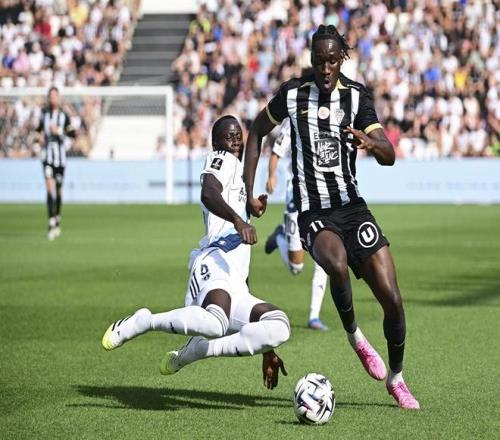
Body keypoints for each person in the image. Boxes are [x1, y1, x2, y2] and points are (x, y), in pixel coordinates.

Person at [243, 25, 419, 409]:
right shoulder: (293, 95)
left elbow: (389, 154)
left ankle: (397, 378)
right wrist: (247, 190)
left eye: (332, 61)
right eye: (319, 61)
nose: (325, 69)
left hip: (353, 208)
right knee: (336, 264)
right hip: (313, 212)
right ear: (311, 59)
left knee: (393, 299)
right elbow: (256, 131)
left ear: (342, 59)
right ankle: (356, 337)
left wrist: (371, 143)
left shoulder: (356, 97)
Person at [102, 115, 290, 389]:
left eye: (239, 136)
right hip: (213, 260)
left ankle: (199, 350)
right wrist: (239, 221)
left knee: (279, 326)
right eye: (229, 137)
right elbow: (208, 193)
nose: (236, 141)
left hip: (235, 278)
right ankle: (145, 321)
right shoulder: (221, 159)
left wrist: (267, 350)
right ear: (216, 143)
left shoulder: (239, 176)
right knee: (216, 323)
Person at [265, 118, 329, 331]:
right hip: (296, 197)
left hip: (322, 197)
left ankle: (314, 316)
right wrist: (271, 175)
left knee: (324, 258)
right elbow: (277, 151)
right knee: (296, 267)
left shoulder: (327, 116)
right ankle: (280, 237)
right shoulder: (293, 118)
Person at [37, 86, 75, 240]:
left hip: (60, 158)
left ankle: (57, 217)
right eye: (50, 96)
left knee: (58, 189)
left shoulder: (64, 115)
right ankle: (51, 220)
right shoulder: (44, 114)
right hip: (47, 157)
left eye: (55, 96)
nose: (53, 99)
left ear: (58, 98)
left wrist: (58, 131)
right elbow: (38, 130)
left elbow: (72, 133)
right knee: (49, 188)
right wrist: (39, 137)